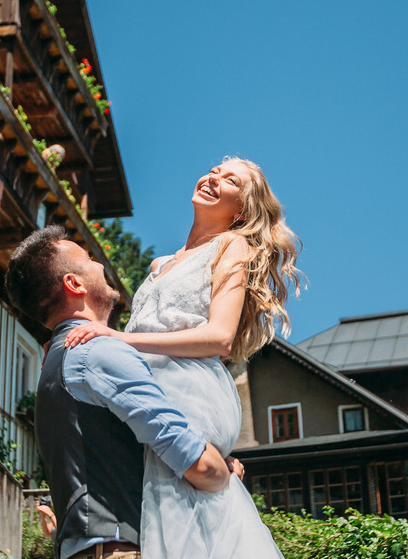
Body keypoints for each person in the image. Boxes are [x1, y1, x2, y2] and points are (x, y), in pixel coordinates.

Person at [65, 157, 302, 559]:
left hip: (189, 387)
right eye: (214, 170)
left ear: (241, 209)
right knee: (155, 503)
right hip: (152, 384)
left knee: (180, 515)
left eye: (230, 181)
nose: (213, 178)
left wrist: (119, 340)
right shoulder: (160, 264)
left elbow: (220, 337)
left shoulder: (233, 245)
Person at [5, 227, 239, 559]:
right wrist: (222, 471)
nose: (99, 262)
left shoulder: (57, 360)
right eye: (87, 258)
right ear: (75, 284)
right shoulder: (98, 352)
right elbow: (199, 466)